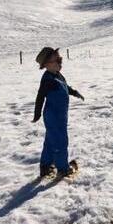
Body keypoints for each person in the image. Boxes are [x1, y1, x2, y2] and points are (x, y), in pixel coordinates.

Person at [33, 47, 84, 177]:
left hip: (60, 115)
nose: (60, 63)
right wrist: (37, 113)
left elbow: (65, 86)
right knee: (60, 141)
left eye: (60, 59)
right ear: (46, 65)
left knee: (51, 140)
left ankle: (45, 166)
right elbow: (40, 97)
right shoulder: (47, 80)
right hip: (53, 115)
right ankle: (63, 169)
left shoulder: (57, 75)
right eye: (56, 60)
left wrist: (74, 92)